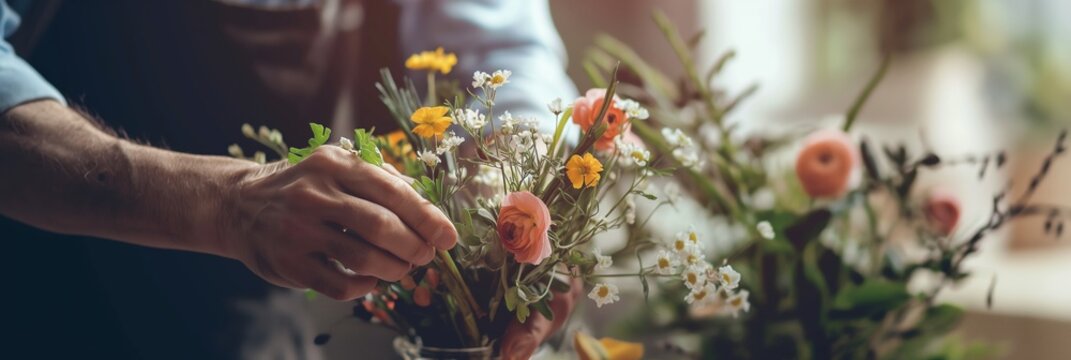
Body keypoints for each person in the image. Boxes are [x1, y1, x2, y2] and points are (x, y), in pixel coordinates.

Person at [0, 0, 577, 359]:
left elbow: (508, 51)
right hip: (40, 313)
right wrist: (225, 204)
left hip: (257, 330)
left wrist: (518, 212)